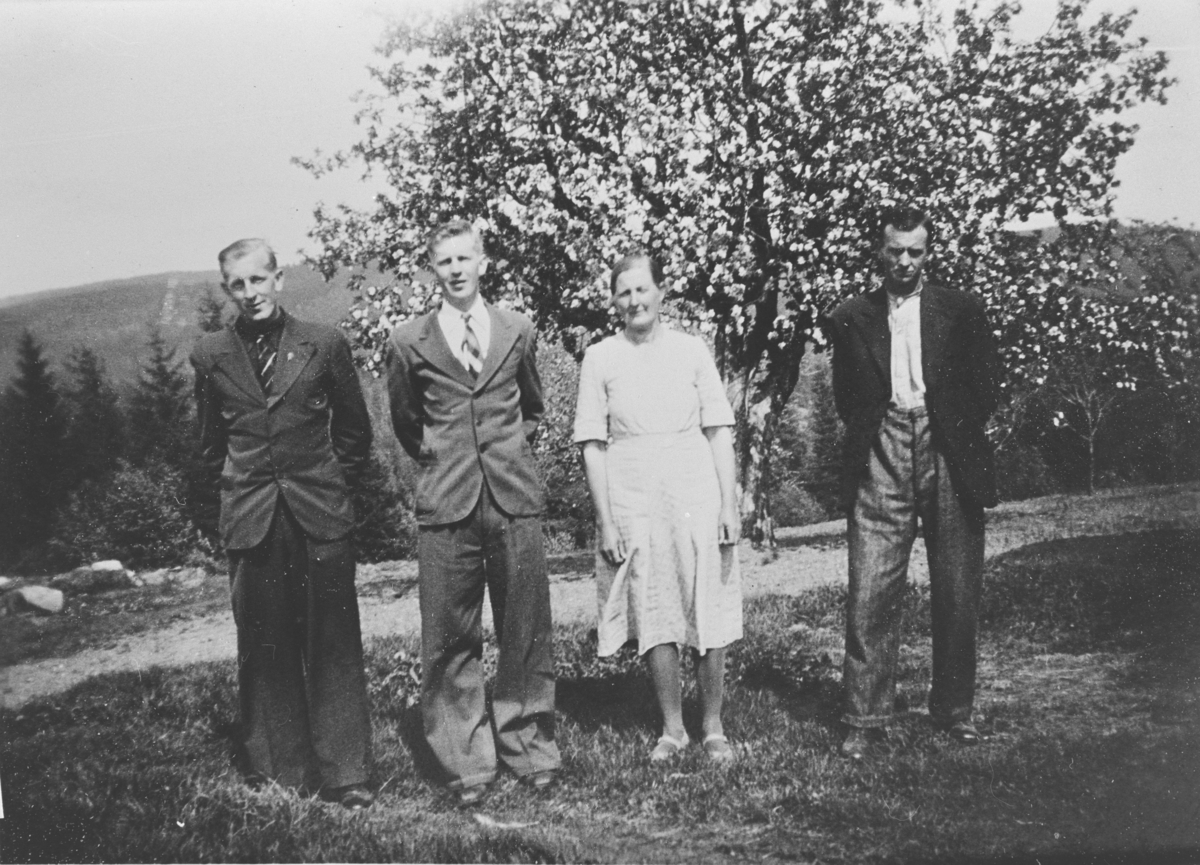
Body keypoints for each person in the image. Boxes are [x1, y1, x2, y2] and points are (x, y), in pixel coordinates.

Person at [191, 238, 375, 809]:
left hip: (318, 515)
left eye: (258, 280)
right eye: (237, 285)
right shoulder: (210, 354)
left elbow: (354, 435)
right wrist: (224, 514)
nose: (250, 294)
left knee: (333, 642)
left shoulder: (322, 343)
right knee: (264, 644)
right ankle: (282, 771)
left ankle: (346, 772)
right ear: (229, 290)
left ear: (278, 280)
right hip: (251, 518)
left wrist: (332, 497)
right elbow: (204, 448)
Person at [386, 219, 560, 806]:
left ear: (483, 262)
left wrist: (503, 455)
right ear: (432, 271)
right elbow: (408, 423)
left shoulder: (516, 329)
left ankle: (527, 744)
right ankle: (466, 761)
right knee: (449, 634)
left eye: (465, 258)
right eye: (444, 262)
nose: (456, 270)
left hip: (512, 497)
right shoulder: (410, 341)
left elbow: (531, 409)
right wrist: (446, 460)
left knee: (525, 628)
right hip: (447, 502)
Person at [826, 206, 1001, 760]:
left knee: (956, 584)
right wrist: (880, 429)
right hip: (883, 444)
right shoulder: (852, 315)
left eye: (915, 252)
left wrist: (949, 423)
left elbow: (985, 385)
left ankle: (954, 711)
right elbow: (846, 396)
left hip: (948, 446)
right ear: (879, 252)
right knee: (871, 584)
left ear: (929, 253)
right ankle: (865, 715)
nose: (905, 261)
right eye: (895, 251)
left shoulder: (962, 310)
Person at [574, 252, 742, 764]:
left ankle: (712, 725)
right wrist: (606, 520)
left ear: (661, 293)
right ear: (613, 301)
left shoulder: (692, 351)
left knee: (705, 601)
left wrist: (728, 502)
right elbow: (591, 443)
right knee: (652, 605)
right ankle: (672, 728)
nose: (634, 301)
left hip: (694, 489)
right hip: (632, 492)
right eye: (624, 293)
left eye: (642, 290)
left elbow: (718, 429)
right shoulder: (600, 357)